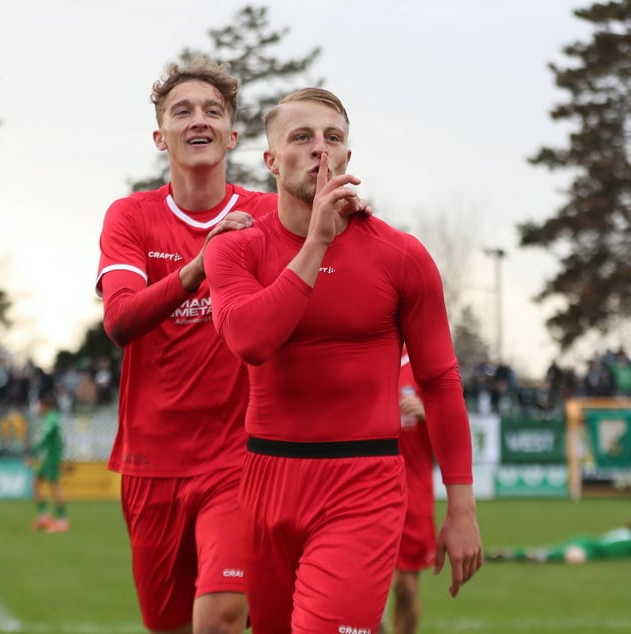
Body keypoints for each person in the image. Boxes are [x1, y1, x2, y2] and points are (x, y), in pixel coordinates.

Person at [204, 87, 482, 633]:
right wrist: (316, 244)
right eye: (301, 138)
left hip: (364, 482)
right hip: (265, 480)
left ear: (348, 158)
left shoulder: (401, 256)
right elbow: (250, 340)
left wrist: (463, 506)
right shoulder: (235, 248)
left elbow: (440, 382)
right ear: (269, 160)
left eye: (333, 138)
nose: (319, 150)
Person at [94, 56, 278, 634]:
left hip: (239, 458)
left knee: (221, 617)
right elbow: (120, 320)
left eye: (213, 111)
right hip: (151, 465)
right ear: (160, 136)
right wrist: (200, 268)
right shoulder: (131, 217)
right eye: (183, 111)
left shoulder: (268, 215)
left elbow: (338, 266)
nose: (199, 120)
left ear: (232, 134)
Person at [379, 352, 438, 634]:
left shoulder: (426, 365)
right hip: (366, 491)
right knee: (362, 589)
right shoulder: (364, 354)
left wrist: (429, 412)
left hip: (413, 493)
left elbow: (457, 434)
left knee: (405, 587)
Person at [486, 519, 631, 563]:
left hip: (586, 541)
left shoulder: (625, 533)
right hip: (591, 549)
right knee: (555, 558)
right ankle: (509, 554)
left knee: (548, 552)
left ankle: (509, 553)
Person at [27, 391, 68, 533]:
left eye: (39, 405)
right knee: (36, 485)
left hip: (52, 458)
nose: (38, 408)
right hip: (50, 457)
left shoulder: (51, 420)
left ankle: (62, 521)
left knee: (55, 487)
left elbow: (44, 439)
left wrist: (32, 455)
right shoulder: (53, 418)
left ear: (45, 406)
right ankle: (44, 517)